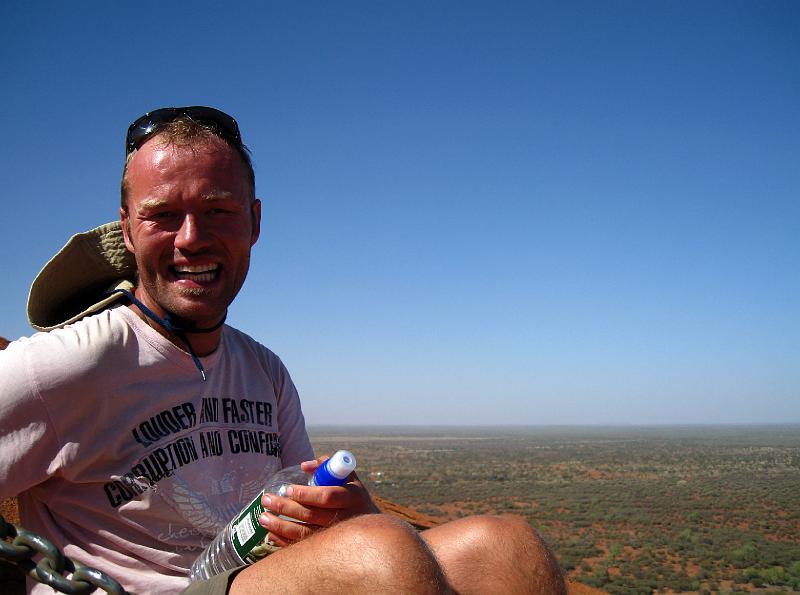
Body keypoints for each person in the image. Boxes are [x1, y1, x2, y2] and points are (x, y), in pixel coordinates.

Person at [0, 106, 566, 594]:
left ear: (254, 222)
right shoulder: (66, 363)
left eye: (218, 211)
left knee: (507, 548)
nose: (192, 237)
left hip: (248, 572)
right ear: (127, 230)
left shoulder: (262, 369)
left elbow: (308, 504)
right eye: (163, 215)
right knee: (379, 559)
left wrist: (342, 512)